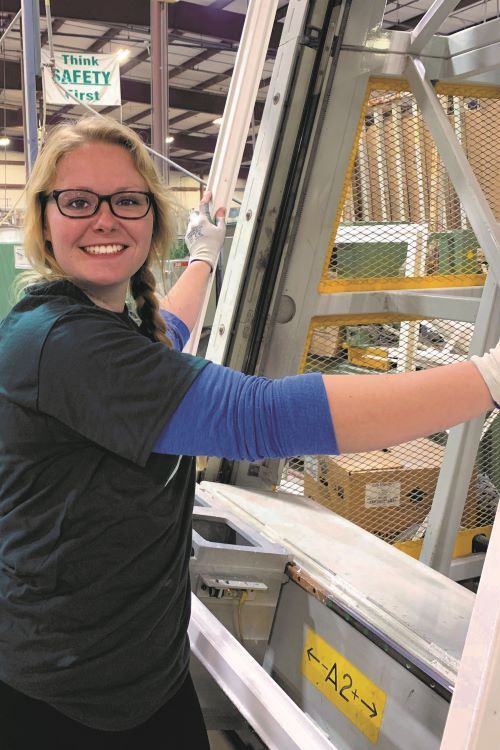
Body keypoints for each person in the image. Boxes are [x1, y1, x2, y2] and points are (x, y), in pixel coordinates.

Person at [0, 115, 497, 750]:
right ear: (45, 220)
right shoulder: (60, 343)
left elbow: (165, 337)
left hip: (140, 674)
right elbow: (259, 417)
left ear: (152, 217)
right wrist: (486, 378)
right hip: (68, 701)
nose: (105, 218)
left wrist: (204, 257)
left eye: (128, 200)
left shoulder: (104, 326)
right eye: (77, 201)